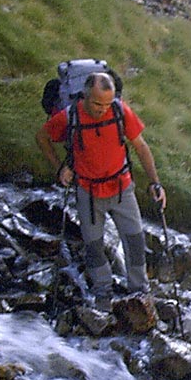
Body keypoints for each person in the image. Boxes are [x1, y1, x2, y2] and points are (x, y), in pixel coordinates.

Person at [36, 72, 166, 295]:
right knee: (94, 246)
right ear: (85, 96)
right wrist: (60, 167)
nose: (102, 109)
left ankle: (139, 292)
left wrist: (156, 183)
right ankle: (102, 292)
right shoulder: (70, 116)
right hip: (88, 191)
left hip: (121, 188)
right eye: (97, 103)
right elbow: (42, 137)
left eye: (107, 103)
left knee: (135, 241)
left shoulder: (120, 111)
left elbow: (141, 147)